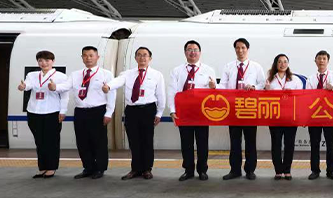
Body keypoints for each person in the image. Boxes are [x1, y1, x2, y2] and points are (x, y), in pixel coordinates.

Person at [50, 46, 115, 180]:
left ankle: (100, 168)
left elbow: (111, 94)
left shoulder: (106, 74)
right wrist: (55, 87)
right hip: (80, 111)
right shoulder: (75, 74)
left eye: (91, 55)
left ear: (97, 57)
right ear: (82, 58)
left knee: (99, 141)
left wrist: (109, 112)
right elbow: (66, 86)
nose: (88, 58)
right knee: (82, 141)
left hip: (98, 110)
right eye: (85, 55)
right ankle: (88, 167)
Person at [102, 46, 165, 180]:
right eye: (139, 55)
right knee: (133, 140)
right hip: (132, 110)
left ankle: (147, 169)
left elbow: (161, 95)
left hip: (148, 109)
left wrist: (159, 113)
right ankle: (135, 169)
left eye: (145, 55)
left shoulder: (157, 75)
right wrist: (109, 86)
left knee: (147, 140)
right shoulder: (127, 74)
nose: (142, 57)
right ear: (135, 58)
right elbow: (118, 81)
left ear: (150, 58)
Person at [168, 40, 216, 182]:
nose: (192, 52)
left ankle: (202, 170)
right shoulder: (177, 71)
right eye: (189, 49)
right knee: (186, 143)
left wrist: (214, 87)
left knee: (202, 143)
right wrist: (172, 110)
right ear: (185, 52)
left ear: (200, 53)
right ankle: (188, 170)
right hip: (183, 112)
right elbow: (172, 91)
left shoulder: (208, 70)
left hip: (202, 113)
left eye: (195, 50)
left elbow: (214, 93)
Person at [218, 38, 266, 180]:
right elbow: (223, 85)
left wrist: (254, 87)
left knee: (250, 141)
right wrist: (214, 87)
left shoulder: (256, 67)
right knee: (234, 141)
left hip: (250, 108)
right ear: (235, 50)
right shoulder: (228, 66)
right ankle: (235, 170)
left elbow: (262, 84)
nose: (240, 50)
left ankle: (250, 170)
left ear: (247, 49)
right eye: (237, 48)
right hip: (233, 108)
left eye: (243, 47)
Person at [19, 50, 68, 178]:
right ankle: (42, 167)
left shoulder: (61, 76)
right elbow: (28, 85)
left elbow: (65, 95)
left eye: (47, 60)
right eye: (40, 60)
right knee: (39, 141)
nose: (44, 63)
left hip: (52, 112)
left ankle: (51, 167)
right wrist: (23, 87)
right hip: (34, 111)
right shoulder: (32, 75)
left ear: (53, 61)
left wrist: (63, 111)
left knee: (51, 141)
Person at [264, 53, 303, 180]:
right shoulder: (270, 79)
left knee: (289, 144)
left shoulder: (295, 79)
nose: (282, 64)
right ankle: (278, 170)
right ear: (276, 64)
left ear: (288, 64)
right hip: (274, 117)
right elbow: (264, 98)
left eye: (285, 61)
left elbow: (300, 98)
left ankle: (287, 170)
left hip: (290, 117)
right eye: (280, 62)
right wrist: (267, 90)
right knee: (276, 144)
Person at [305, 50, 333, 180]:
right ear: (315, 61)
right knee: (314, 144)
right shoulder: (310, 78)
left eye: (324, 58)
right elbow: (307, 96)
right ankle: (315, 170)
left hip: (330, 115)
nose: (321, 61)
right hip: (314, 115)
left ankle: (331, 171)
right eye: (319, 58)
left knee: (331, 144)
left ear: (328, 61)